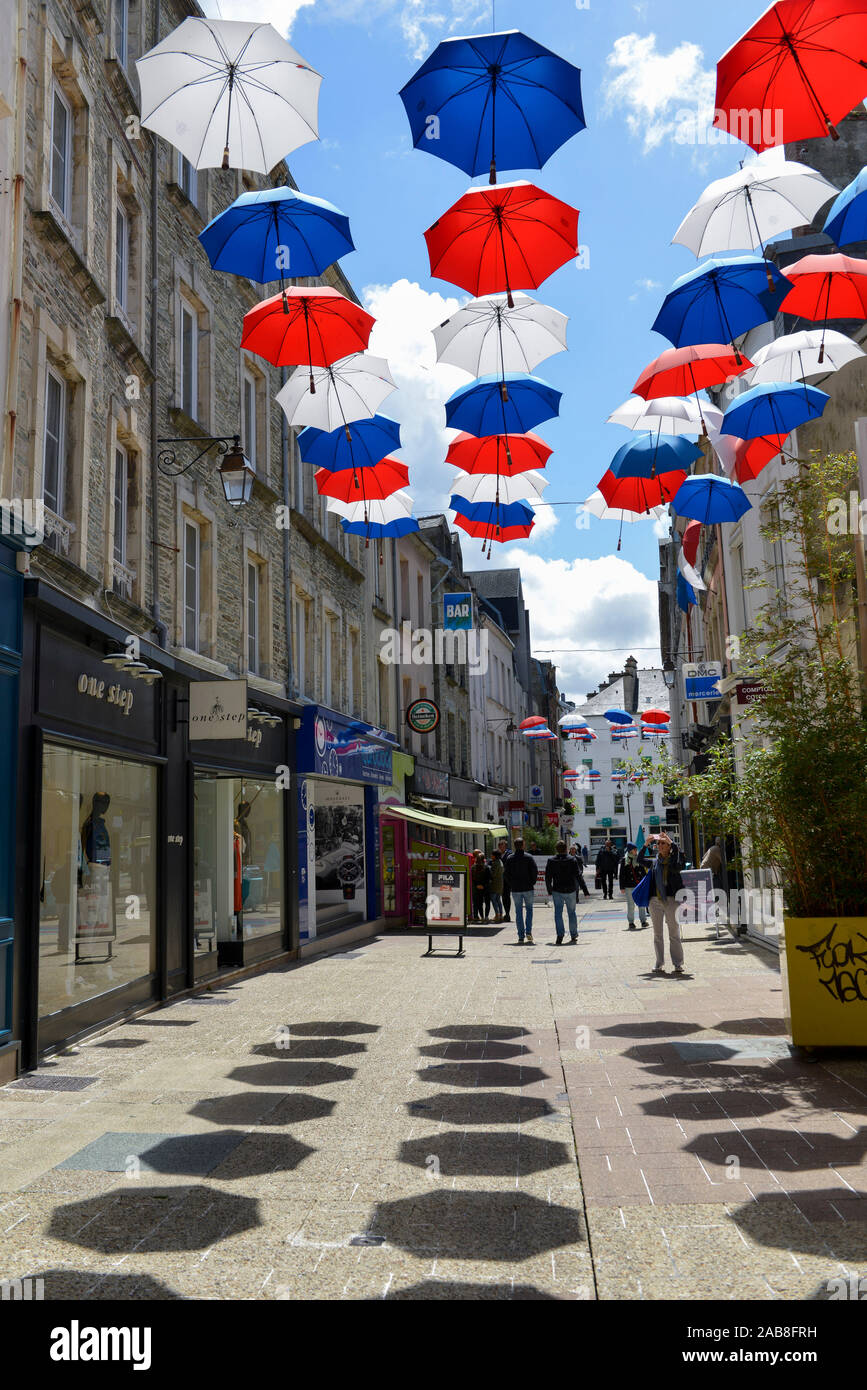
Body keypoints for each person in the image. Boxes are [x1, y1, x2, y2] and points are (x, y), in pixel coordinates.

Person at [639, 832, 686, 976]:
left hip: (671, 900)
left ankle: (677, 963)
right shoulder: (654, 862)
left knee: (674, 933)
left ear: (669, 846)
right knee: (657, 934)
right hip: (655, 901)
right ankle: (659, 963)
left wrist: (672, 843)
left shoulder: (675, 861)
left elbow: (679, 866)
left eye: (663, 843)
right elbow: (639, 859)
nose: (659, 845)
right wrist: (645, 844)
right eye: (658, 843)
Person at [545, 840, 581, 943]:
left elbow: (547, 877)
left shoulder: (551, 860)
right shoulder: (572, 860)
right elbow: (578, 875)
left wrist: (549, 889)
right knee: (572, 913)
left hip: (557, 890)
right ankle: (573, 934)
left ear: (556, 849)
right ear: (566, 849)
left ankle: (560, 935)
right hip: (570, 890)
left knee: (558, 913)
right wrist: (585, 890)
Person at [503, 837, 537, 944]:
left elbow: (506, 874)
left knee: (518, 911)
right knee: (529, 910)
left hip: (516, 889)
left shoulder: (510, 858)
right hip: (528, 888)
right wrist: (532, 882)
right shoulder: (529, 857)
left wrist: (512, 884)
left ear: (514, 846)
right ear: (523, 845)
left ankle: (521, 935)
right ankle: (529, 932)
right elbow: (535, 872)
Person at [619, 842, 647, 930]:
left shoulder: (639, 859)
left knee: (641, 904)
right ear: (630, 850)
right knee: (631, 905)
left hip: (639, 885)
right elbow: (621, 875)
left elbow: (643, 873)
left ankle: (643, 921)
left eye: (636, 849)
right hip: (628, 886)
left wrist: (645, 883)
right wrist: (622, 887)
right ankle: (631, 922)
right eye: (634, 849)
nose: (636, 851)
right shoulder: (625, 860)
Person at [470, 849, 491, 922]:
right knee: (487, 902)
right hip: (486, 888)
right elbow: (489, 878)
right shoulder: (487, 867)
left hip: (476, 888)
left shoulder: (472, 867)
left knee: (479, 903)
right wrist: (484, 885)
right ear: (483, 859)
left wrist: (477, 885)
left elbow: (472, 878)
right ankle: (486, 917)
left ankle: (481, 916)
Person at [497, 837, 513, 921]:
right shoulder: (497, 854)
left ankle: (507, 914)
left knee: (506, 896)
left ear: (505, 847)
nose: (500, 847)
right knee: (503, 897)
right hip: (500, 879)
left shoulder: (509, 854)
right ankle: (502, 914)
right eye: (499, 846)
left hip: (507, 879)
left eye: (501, 846)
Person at [489, 849, 505, 923]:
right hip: (500, 883)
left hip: (495, 884)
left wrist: (489, 868)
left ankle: (497, 915)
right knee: (498, 900)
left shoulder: (495, 863)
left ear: (495, 856)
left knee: (493, 900)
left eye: (492, 855)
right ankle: (501, 914)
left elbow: (493, 874)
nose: (491, 856)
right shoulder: (501, 862)